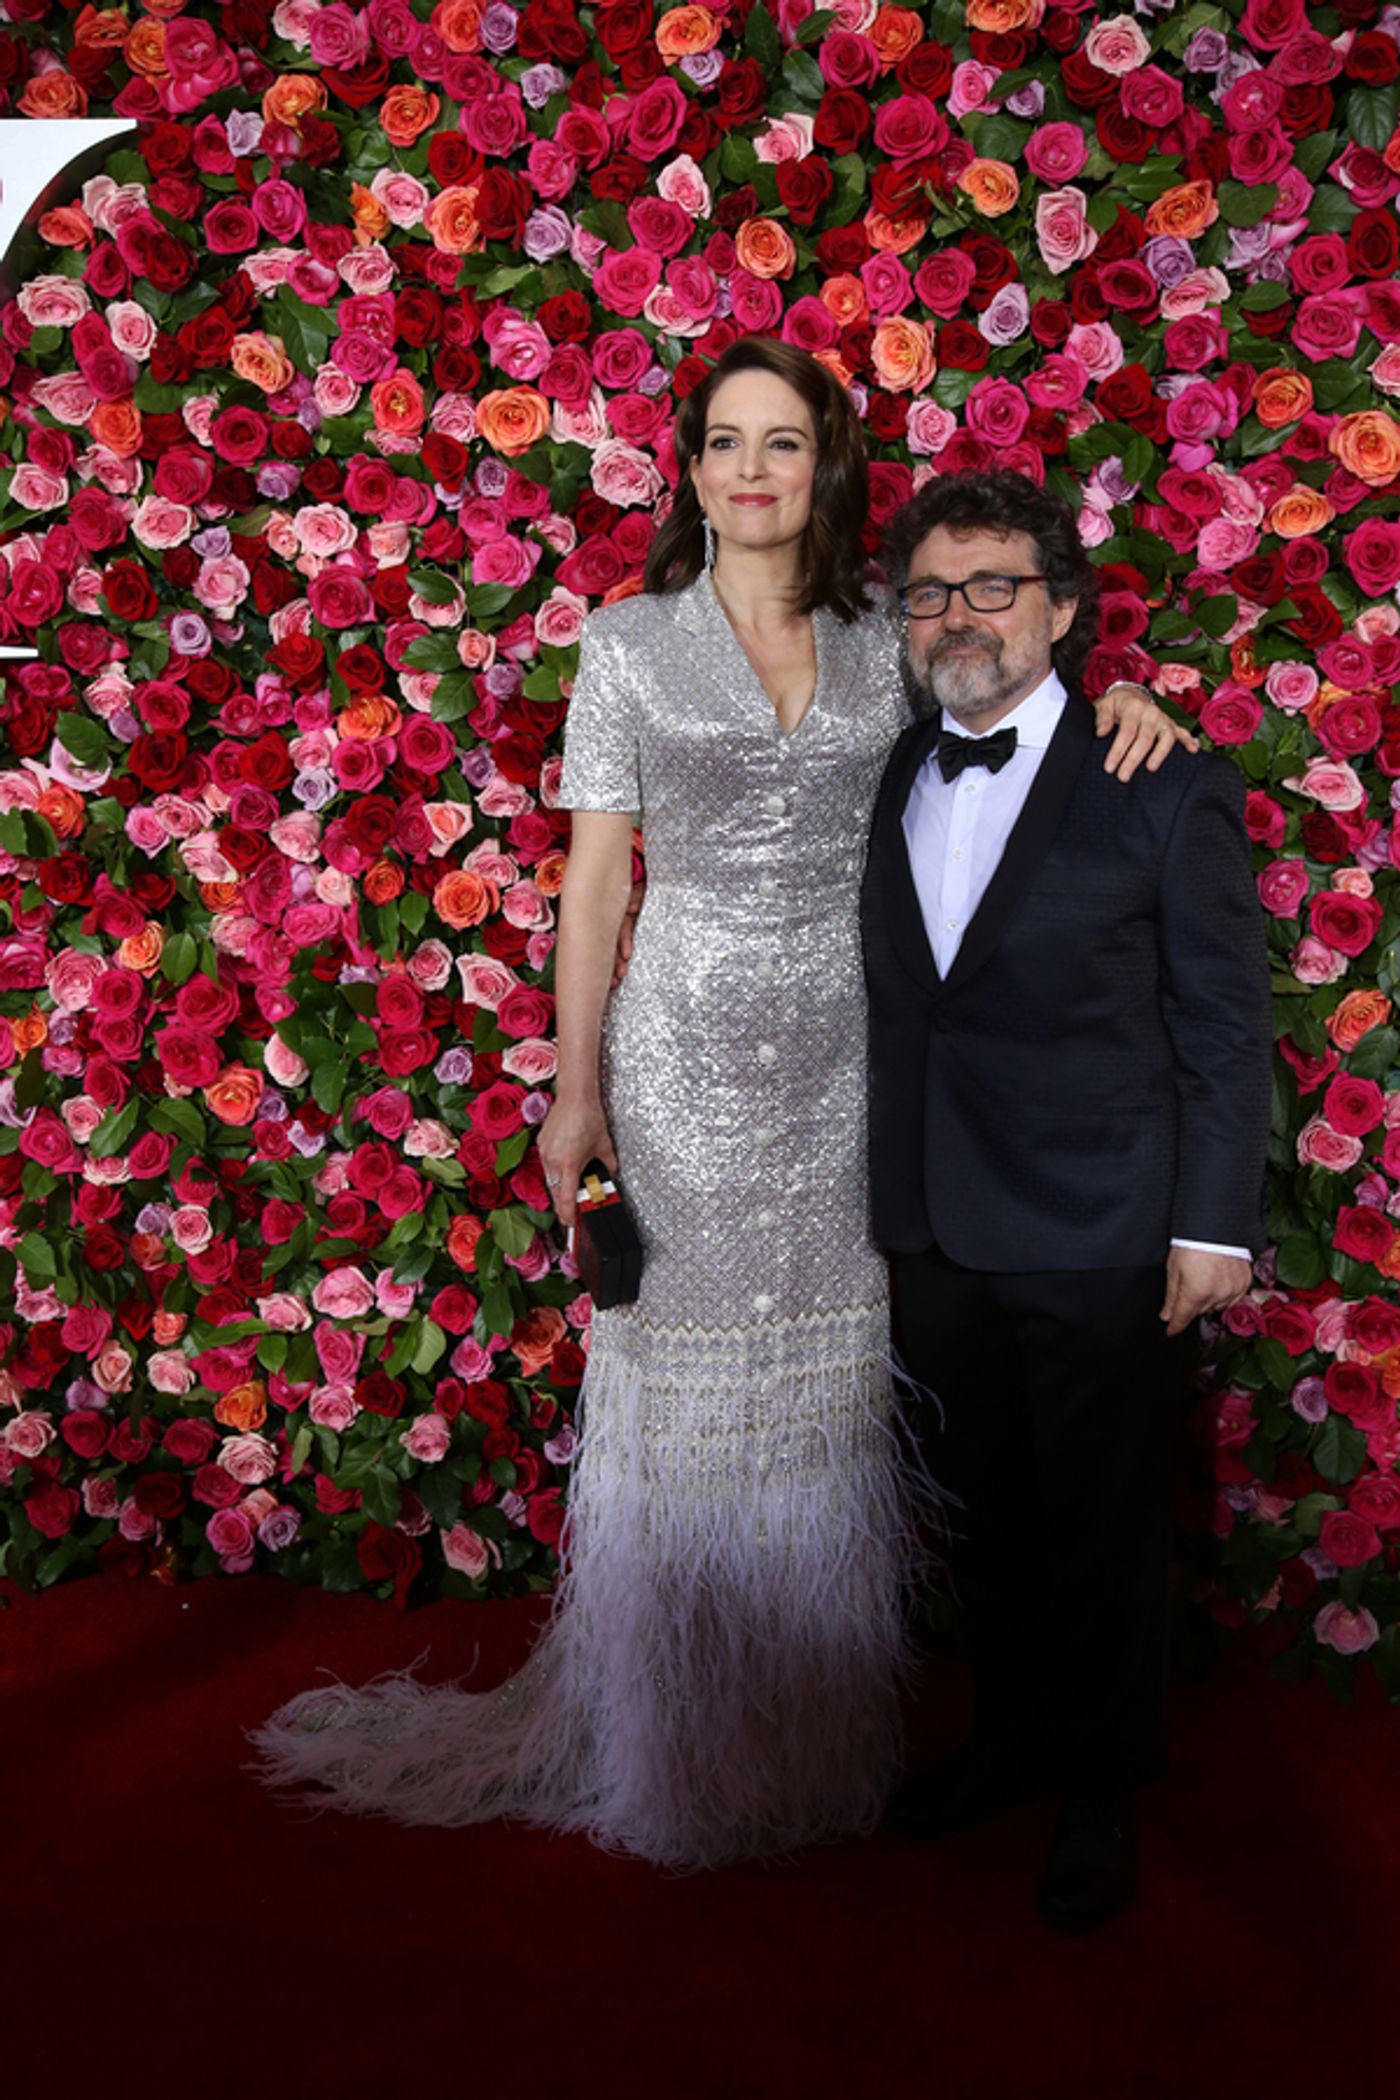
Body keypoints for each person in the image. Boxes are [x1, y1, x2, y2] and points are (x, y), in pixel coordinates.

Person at [252, 342, 1187, 1869]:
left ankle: (809, 1751)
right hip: (680, 1057)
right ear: (688, 470)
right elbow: (598, 878)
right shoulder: (624, 646)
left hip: (855, 1070)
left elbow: (1003, 709)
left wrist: (1123, 691)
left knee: (821, 1419)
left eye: (787, 442)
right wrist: (578, 1090)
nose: (755, 470)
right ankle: (677, 1756)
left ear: (825, 468)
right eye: (727, 443)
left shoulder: (893, 634)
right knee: (684, 1415)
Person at [861, 470, 1272, 1928]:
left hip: (1103, 1225)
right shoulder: (892, 769)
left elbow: (1224, 1022)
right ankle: (1011, 1742)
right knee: (984, 1514)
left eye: (991, 586)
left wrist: (1213, 1226)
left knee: (1104, 1522)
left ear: (1063, 607)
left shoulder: (1160, 777)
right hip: (935, 1226)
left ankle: (1102, 1794)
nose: (957, 616)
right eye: (929, 591)